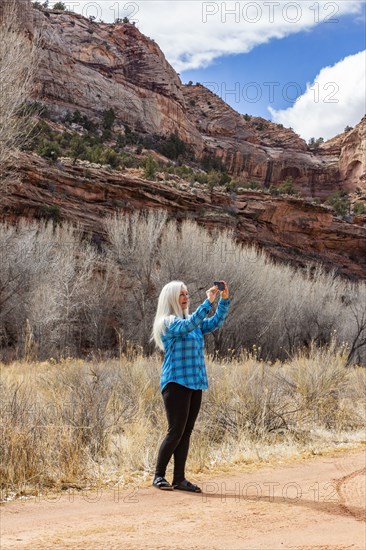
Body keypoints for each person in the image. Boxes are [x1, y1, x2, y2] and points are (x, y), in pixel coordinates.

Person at [151, 280, 230, 492]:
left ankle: (179, 478)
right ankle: (158, 476)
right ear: (171, 299)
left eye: (186, 294)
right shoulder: (168, 322)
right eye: (181, 295)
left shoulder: (192, 322)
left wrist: (223, 300)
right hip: (175, 382)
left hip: (195, 383)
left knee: (186, 432)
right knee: (175, 430)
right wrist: (207, 302)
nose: (186, 297)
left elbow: (214, 323)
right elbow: (188, 325)